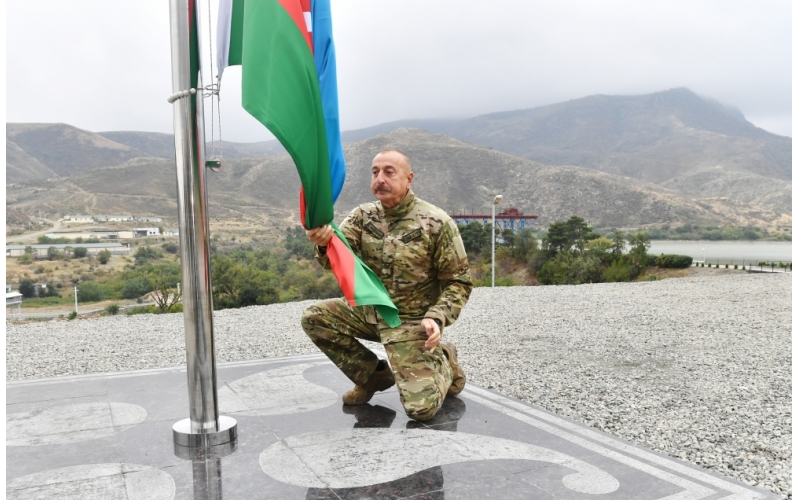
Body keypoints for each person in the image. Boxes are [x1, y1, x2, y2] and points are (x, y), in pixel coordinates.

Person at [301, 148, 473, 421]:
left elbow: (459, 282)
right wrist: (323, 244)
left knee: (421, 411)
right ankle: (373, 377)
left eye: (389, 172)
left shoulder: (437, 222)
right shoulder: (362, 216)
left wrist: (437, 317)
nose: (380, 178)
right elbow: (336, 259)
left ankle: (446, 361)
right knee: (315, 318)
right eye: (375, 172)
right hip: (371, 312)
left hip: (412, 322)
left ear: (409, 179)